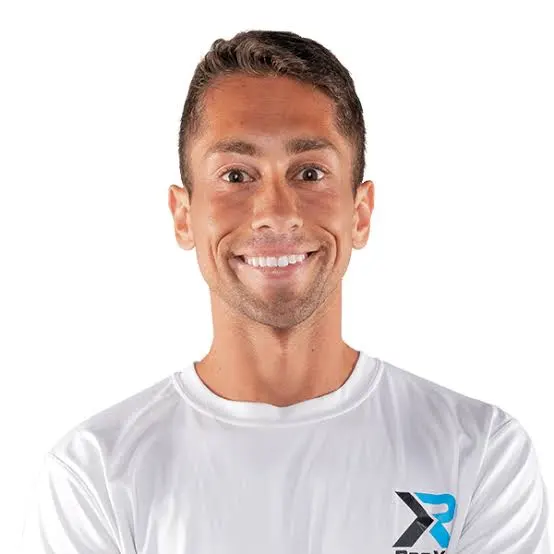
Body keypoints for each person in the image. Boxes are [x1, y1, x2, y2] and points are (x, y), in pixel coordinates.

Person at [20, 29, 551, 553]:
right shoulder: (94, 476)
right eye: (236, 176)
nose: (276, 212)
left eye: (310, 172)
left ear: (360, 213)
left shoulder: (480, 454)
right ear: (184, 217)